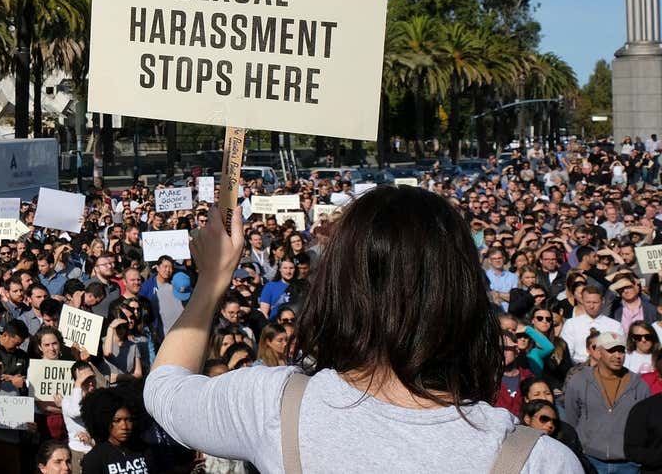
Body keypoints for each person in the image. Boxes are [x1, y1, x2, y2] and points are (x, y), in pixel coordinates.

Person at [143, 185, 581, 470]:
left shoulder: (274, 407)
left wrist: (212, 283)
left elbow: (164, 389)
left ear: (338, 287)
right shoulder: (539, 462)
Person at [566, 331, 651, 472]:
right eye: (611, 350)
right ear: (599, 352)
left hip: (629, 464)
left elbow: (646, 425)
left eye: (621, 351)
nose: (618, 356)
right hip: (590, 460)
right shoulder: (579, 380)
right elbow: (571, 418)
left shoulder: (639, 385)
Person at [78, 389, 153, 474]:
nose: (124, 426)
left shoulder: (144, 450)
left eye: (128, 420)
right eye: (117, 421)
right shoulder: (94, 459)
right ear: (104, 421)